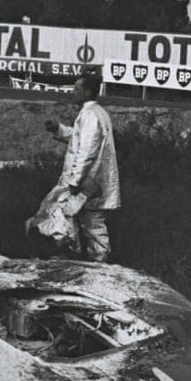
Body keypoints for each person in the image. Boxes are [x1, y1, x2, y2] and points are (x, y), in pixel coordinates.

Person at [54, 71, 119, 261]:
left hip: (88, 182)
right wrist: (58, 129)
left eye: (77, 89)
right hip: (93, 180)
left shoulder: (90, 115)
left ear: (88, 92)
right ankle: (85, 261)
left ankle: (96, 263)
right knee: (78, 219)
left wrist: (75, 180)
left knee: (90, 222)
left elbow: (87, 150)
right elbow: (80, 137)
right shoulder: (96, 113)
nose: (73, 92)